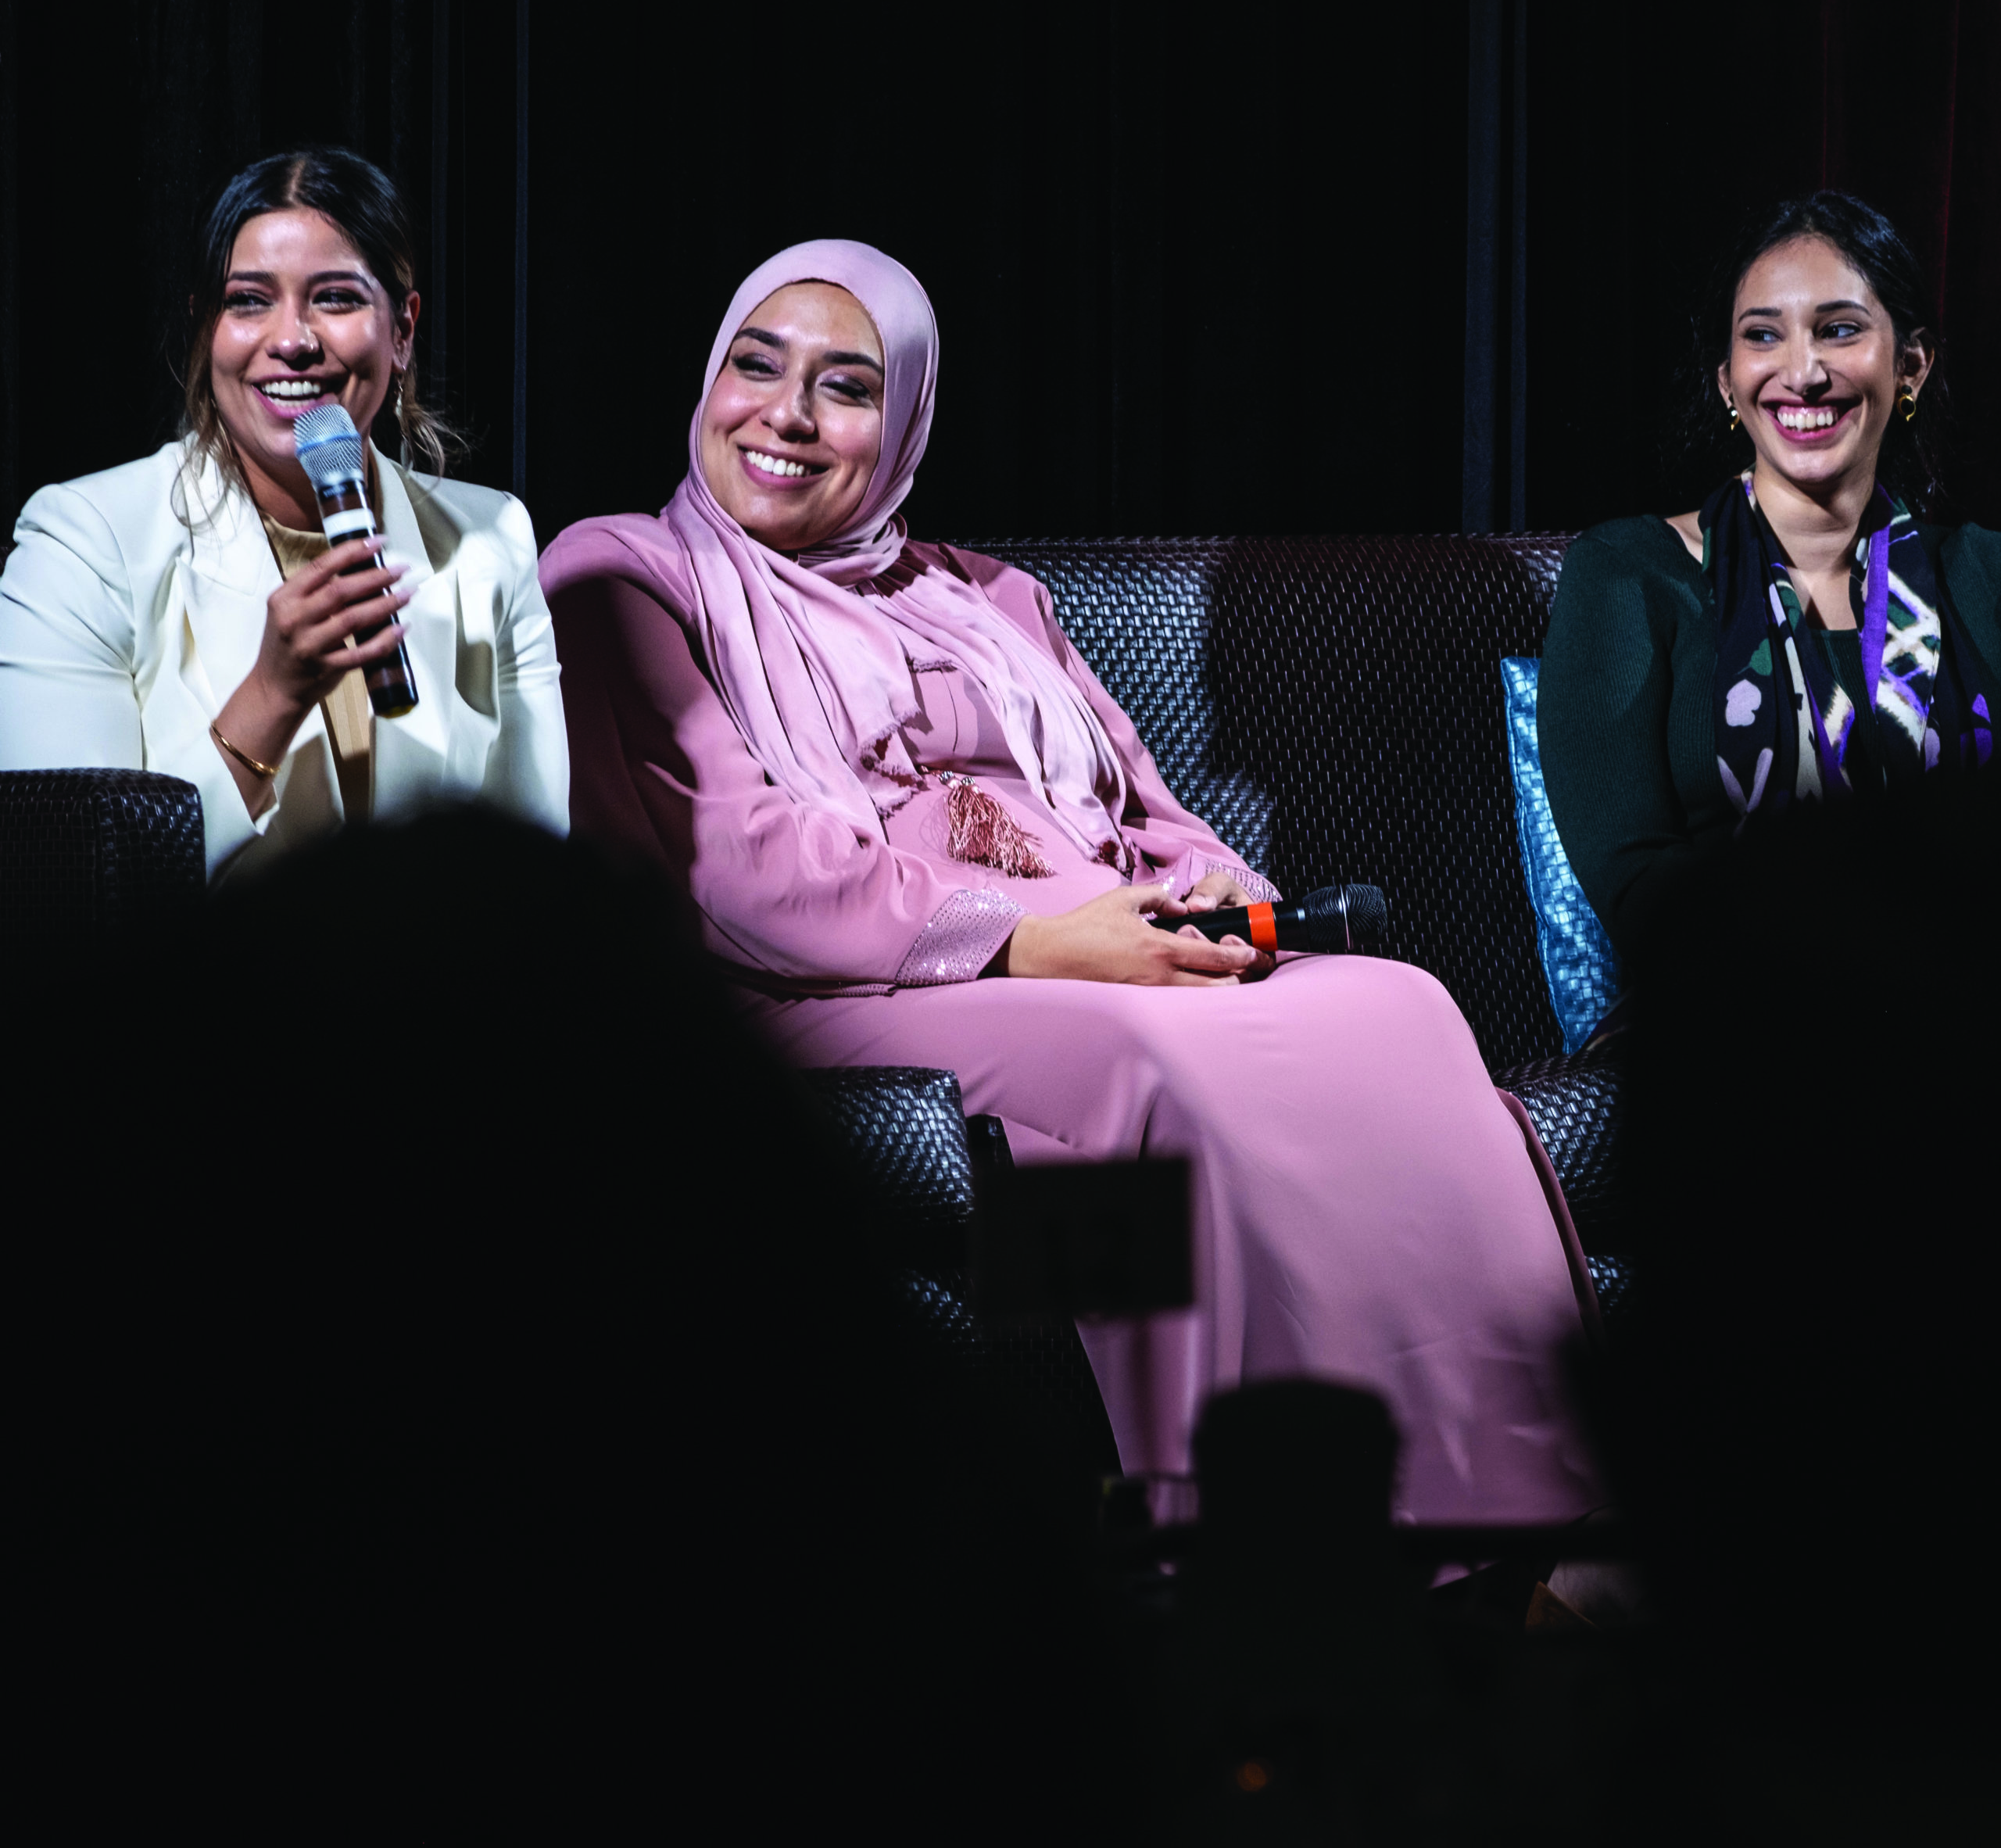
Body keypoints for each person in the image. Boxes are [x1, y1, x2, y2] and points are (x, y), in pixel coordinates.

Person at [539, 240, 1599, 1522]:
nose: (788, 416)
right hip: (842, 983)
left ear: (907, 420)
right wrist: (1036, 940)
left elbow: (1151, 818)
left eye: (847, 386)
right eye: (755, 368)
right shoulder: (625, 571)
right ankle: (1253, 1536)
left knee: (1400, 1005)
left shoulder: (994, 598)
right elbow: (738, 861)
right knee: (1151, 1061)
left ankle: (1521, 1509)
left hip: (1109, 946)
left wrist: (1214, 907)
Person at [0, 149, 568, 876]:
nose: (293, 340)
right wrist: (274, 692)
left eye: (335, 298)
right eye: (248, 300)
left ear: (402, 330)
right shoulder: (83, 540)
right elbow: (68, 885)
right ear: (207, 329)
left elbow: (536, 875)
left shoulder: (494, 540)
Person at [1539, 192, 1999, 956]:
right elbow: (1637, 888)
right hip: (1737, 1017)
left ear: (1910, 365)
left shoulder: (1981, 572)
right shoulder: (1630, 576)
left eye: (1839, 330)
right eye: (1763, 336)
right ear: (1727, 381)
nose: (1802, 371)